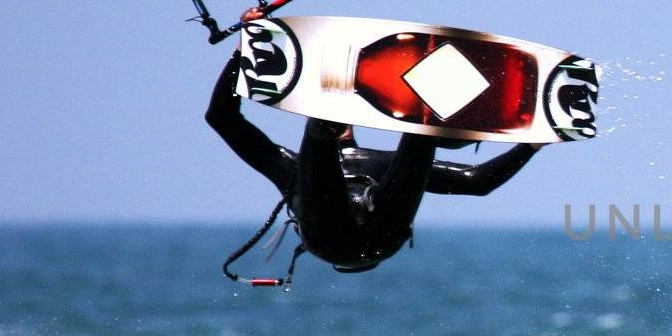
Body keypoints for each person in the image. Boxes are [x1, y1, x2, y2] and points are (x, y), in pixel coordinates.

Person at [206, 52, 541, 273]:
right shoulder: (291, 167)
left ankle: (427, 109)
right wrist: (245, 51)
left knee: (417, 133)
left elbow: (476, 181)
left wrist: (530, 146)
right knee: (328, 140)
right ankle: (338, 115)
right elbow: (222, 118)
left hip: (365, 239)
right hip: (350, 240)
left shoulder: (371, 164)